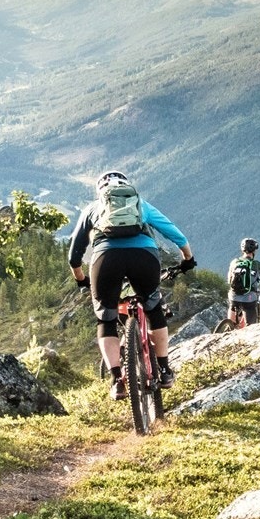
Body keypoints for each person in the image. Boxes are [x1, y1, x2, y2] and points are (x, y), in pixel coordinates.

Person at [68, 170, 195, 400]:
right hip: (144, 257)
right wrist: (187, 258)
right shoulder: (141, 205)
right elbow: (174, 233)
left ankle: (117, 380)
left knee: (106, 318)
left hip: (106, 260)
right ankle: (164, 369)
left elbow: (74, 254)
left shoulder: (93, 209)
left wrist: (81, 279)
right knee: (154, 308)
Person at [225, 238, 260, 326]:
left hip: (233, 295)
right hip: (249, 298)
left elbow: (229, 280)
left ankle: (229, 325)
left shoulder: (234, 262)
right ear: (254, 251)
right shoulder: (258, 265)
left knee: (232, 305)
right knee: (250, 325)